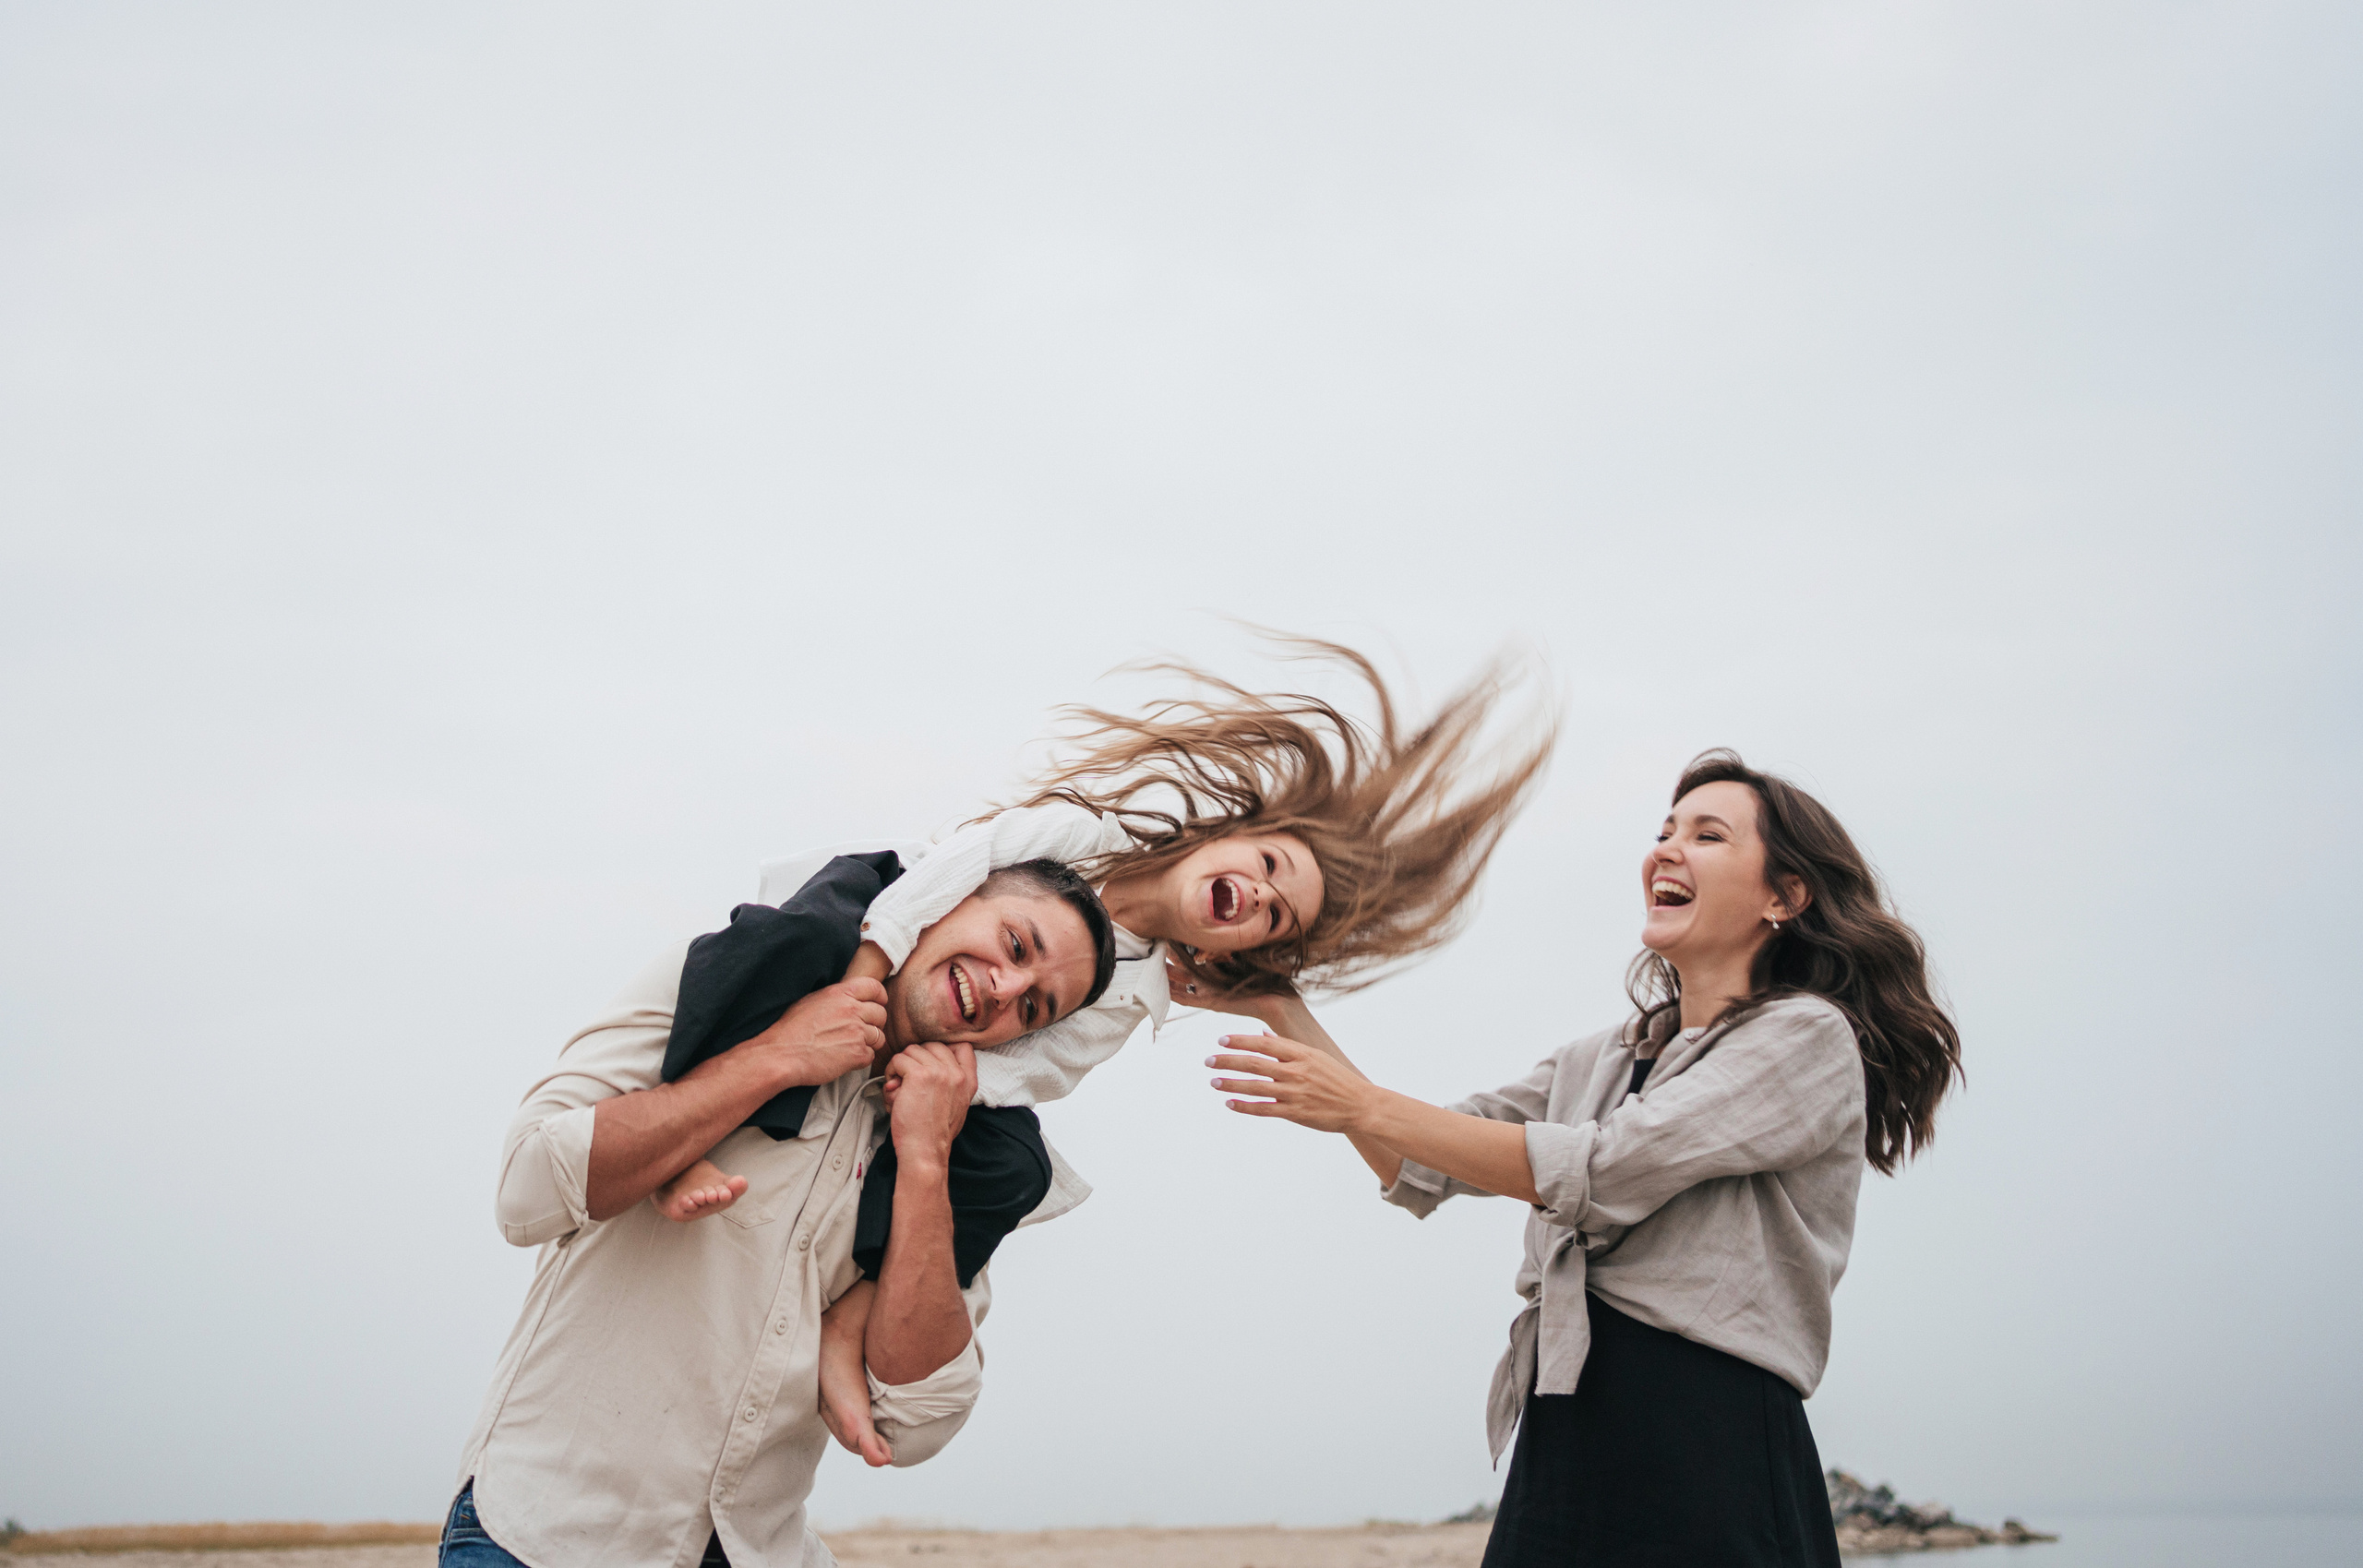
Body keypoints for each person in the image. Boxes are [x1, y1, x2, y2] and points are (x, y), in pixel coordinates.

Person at [657, 637, 1559, 1466]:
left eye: (1275, 919)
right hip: (894, 925)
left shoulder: (1137, 993)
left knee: (1016, 1166)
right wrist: (869, 972)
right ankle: (688, 1125)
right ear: (1228, 835)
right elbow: (961, 861)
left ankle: (853, 1318)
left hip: (961, 1038)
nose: (1259, 895)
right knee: (796, 939)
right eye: (1269, 866)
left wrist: (940, 1084)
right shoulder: (1091, 835)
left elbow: (1039, 1068)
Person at [1204, 749, 1963, 1568]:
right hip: (1566, 1422)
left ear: (1785, 895)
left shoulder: (1806, 1038)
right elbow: (1423, 1159)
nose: (1667, 849)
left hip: (1709, 1439)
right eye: (1665, 831)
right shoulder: (1602, 1056)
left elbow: (1603, 1170)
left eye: (1707, 835)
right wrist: (1277, 1004)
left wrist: (1361, 1103)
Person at [443, 868, 1112, 1568]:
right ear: (947, 901)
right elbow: (526, 1190)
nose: (1005, 988)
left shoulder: (962, 1146)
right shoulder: (727, 983)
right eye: (1015, 944)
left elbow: (917, 1422)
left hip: (755, 1548)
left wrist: (924, 1157)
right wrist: (780, 1054)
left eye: (1032, 1007)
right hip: (543, 1535)